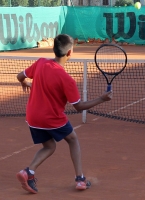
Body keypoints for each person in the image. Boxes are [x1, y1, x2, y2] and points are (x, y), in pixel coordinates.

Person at [16, 34, 112, 194]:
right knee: (73, 140)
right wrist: (102, 99)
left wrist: (24, 82)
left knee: (49, 146)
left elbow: (20, 76)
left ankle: (28, 172)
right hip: (51, 118)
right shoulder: (67, 79)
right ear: (69, 53)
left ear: (54, 49)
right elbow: (79, 107)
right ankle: (80, 179)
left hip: (32, 117)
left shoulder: (40, 62)